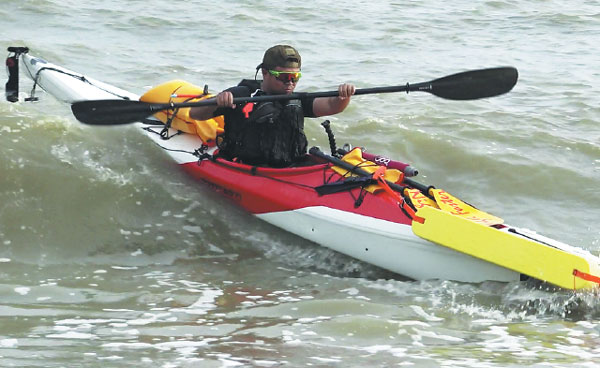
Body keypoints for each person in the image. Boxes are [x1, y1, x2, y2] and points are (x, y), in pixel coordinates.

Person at [190, 45, 355, 167]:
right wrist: (218, 101)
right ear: (265, 73)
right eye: (283, 77)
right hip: (245, 167)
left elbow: (332, 106)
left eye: (295, 76)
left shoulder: (296, 99)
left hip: (291, 166)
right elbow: (195, 113)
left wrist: (343, 97)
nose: (290, 82)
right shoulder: (242, 94)